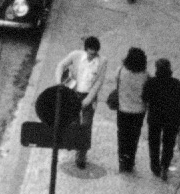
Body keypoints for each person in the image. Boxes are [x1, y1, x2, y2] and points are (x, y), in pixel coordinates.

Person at [56, 36, 109, 168]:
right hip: (74, 93)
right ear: (85, 50)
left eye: (94, 54)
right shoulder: (76, 55)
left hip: (88, 96)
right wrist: (59, 83)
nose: (92, 56)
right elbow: (61, 65)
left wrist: (88, 99)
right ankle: (73, 142)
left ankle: (81, 157)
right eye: (90, 53)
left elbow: (98, 82)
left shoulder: (102, 62)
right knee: (73, 122)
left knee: (86, 126)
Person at [143, 56, 180, 180]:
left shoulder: (151, 82)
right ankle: (165, 166)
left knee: (154, 143)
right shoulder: (175, 83)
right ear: (169, 69)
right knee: (168, 144)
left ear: (156, 69)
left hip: (155, 118)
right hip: (172, 118)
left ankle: (155, 167)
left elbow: (144, 98)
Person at [111, 47, 150, 173]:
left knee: (122, 135)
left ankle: (122, 160)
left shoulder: (121, 70)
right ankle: (131, 160)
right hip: (139, 111)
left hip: (123, 109)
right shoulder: (145, 75)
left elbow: (116, 84)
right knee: (134, 136)